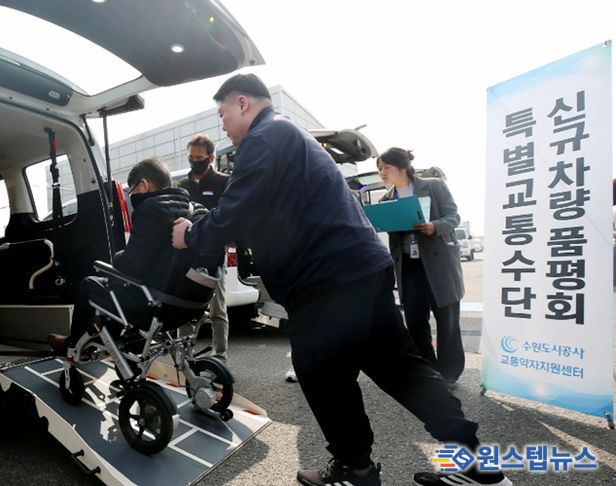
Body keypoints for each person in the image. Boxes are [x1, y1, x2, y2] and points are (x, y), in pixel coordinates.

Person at [171, 73, 511, 486]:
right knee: (402, 371)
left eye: (223, 113)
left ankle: (355, 469)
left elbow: (237, 209)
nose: (223, 125)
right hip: (359, 270)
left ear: (242, 102)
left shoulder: (264, 138)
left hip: (325, 279)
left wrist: (191, 234)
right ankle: (476, 465)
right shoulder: (289, 137)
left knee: (321, 372)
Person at [48, 158, 214, 354]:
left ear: (144, 184)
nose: (131, 196)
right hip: (192, 305)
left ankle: (74, 346)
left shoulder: (151, 209)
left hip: (158, 306)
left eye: (132, 190)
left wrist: (117, 257)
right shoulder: (197, 209)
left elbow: (132, 265)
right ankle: (113, 342)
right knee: (118, 289)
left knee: (89, 285)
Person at [377, 148, 466, 387]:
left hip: (439, 264)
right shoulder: (386, 200)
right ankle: (430, 373)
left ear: (402, 166)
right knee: (416, 323)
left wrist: (434, 226)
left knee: (447, 321)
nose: (382, 172)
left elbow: (454, 216)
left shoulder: (434, 186)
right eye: (379, 168)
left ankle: (449, 374)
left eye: (386, 167)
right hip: (408, 267)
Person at [178, 134, 230, 361]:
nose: (194, 161)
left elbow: (228, 217)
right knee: (185, 307)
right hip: (189, 256)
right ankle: (184, 357)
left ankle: (220, 356)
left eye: (199, 158)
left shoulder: (223, 182)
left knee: (218, 309)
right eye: (191, 157)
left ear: (211, 158)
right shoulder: (182, 185)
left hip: (215, 254)